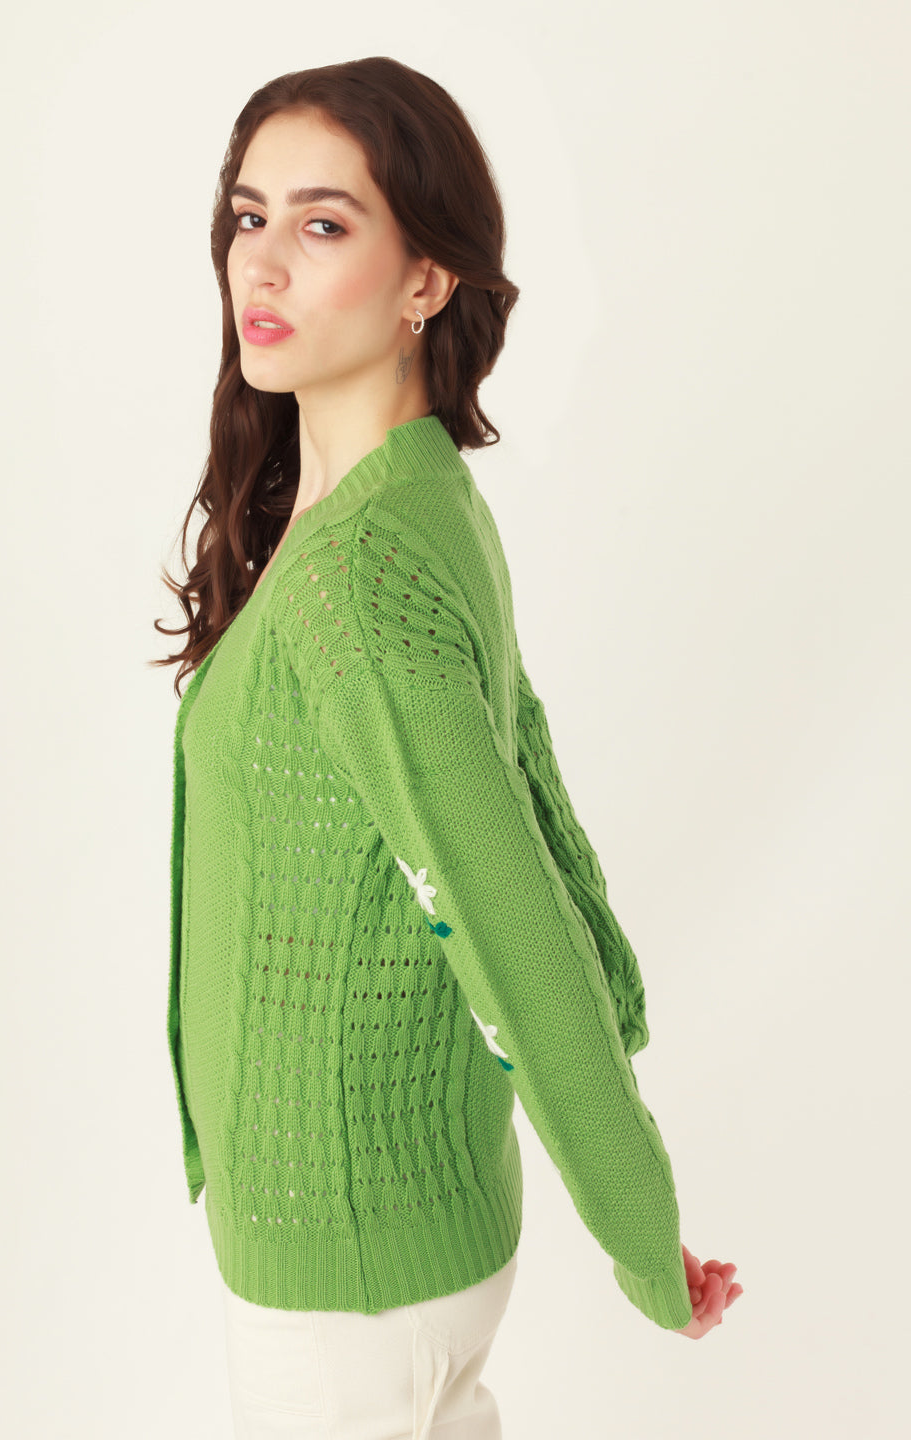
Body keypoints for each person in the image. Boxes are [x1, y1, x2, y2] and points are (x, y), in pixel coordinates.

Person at [152, 54, 742, 1439]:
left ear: (427, 278)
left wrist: (639, 1234)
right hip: (385, 1225)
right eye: (248, 216)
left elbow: (504, 906)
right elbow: (522, 787)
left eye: (324, 224)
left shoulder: (360, 575)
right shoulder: (402, 499)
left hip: (348, 1254)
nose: (263, 264)